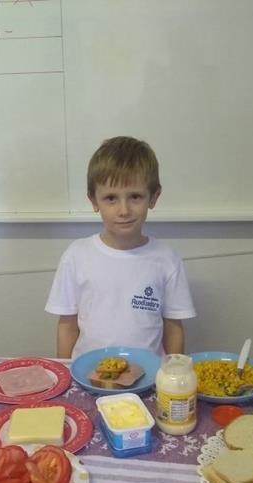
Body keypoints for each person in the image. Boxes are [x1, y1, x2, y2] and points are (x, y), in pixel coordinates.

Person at [45, 136, 196, 359]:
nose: (124, 210)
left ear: (153, 197)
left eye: (135, 197)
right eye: (111, 198)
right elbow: (67, 325)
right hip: (87, 373)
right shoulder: (76, 256)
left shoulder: (167, 259)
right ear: (94, 201)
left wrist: (174, 372)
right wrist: (66, 371)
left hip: (149, 374)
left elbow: (173, 328)